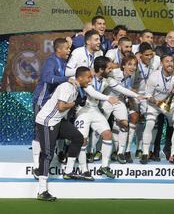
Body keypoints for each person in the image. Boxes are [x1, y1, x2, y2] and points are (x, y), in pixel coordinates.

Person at [70, 56, 141, 180]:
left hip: (95, 110)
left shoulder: (107, 79)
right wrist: (108, 98)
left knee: (107, 134)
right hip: (83, 111)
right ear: (101, 69)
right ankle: (84, 169)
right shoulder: (89, 78)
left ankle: (104, 167)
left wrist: (137, 96)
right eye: (109, 68)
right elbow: (92, 93)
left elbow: (121, 89)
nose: (111, 69)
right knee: (83, 140)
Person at [35, 66, 91, 201]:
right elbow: (60, 107)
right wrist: (75, 103)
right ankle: (42, 190)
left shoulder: (77, 88)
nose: (90, 80)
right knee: (48, 154)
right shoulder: (67, 87)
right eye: (89, 77)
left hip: (58, 121)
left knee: (78, 137)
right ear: (80, 77)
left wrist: (77, 102)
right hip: (47, 122)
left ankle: (68, 171)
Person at [32, 38, 76, 179]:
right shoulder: (51, 61)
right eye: (67, 48)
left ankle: (51, 158)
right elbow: (47, 78)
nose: (69, 51)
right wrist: (66, 79)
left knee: (54, 130)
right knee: (39, 133)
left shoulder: (63, 62)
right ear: (59, 49)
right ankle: (36, 166)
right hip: (42, 100)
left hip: (53, 103)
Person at [140, 54, 174, 165]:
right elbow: (148, 96)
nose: (170, 63)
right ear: (161, 64)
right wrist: (159, 104)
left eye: (171, 61)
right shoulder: (154, 76)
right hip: (155, 105)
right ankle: (145, 153)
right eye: (167, 61)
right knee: (150, 123)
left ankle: (173, 155)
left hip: (171, 105)